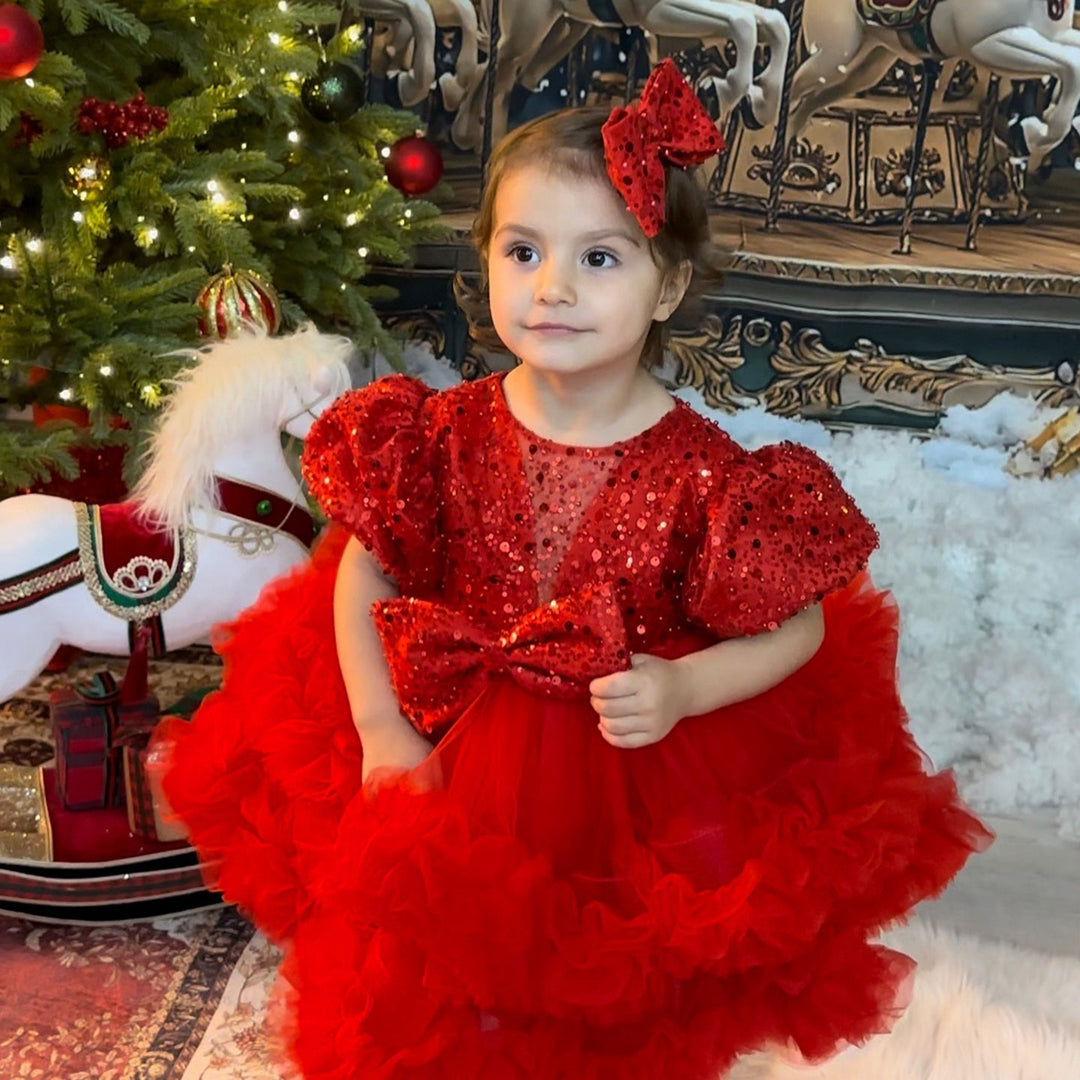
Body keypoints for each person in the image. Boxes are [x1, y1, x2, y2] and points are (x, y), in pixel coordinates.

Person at [160, 59, 992, 1080]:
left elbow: (799, 625)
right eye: (523, 251)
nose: (551, 286)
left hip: (621, 765)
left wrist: (686, 688)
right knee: (419, 940)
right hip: (446, 725)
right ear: (486, 261)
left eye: (599, 258)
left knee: (618, 957)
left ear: (667, 286)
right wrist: (379, 727)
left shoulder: (707, 474)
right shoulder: (438, 434)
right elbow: (367, 572)